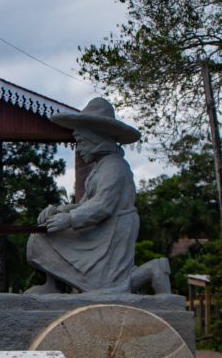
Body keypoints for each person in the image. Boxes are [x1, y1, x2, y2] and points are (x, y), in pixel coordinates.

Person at [26, 97, 170, 294]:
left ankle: (154, 269)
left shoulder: (115, 166)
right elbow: (87, 203)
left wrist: (69, 219)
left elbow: (102, 206)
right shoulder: (100, 168)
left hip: (112, 229)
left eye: (82, 143)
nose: (79, 149)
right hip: (100, 225)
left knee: (110, 286)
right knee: (44, 235)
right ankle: (55, 285)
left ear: (96, 141)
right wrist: (58, 211)